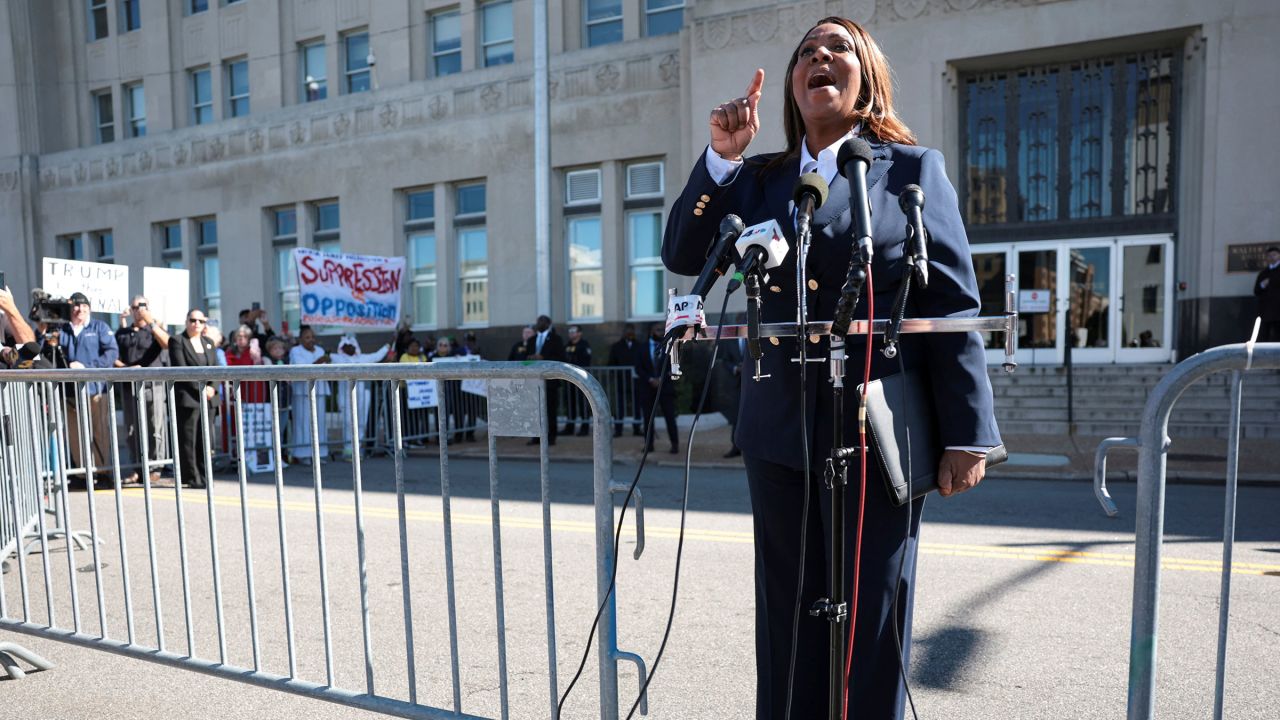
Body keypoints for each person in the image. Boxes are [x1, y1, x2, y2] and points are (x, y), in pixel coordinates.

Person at [661, 17, 1000, 719]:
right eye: (807, 52)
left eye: (837, 48)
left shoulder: (909, 171)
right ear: (793, 85)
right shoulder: (759, 181)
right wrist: (721, 158)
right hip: (778, 427)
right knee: (786, 616)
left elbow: (952, 304)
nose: (820, 57)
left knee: (869, 614)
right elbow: (683, 250)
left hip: (876, 428)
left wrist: (969, 432)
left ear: (865, 75)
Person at [43, 291, 119, 477]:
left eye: (84, 306)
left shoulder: (99, 326)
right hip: (69, 391)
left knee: (99, 431)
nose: (80, 310)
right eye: (76, 306)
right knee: (76, 434)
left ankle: (101, 472)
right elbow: (45, 352)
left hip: (95, 389)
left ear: (89, 309)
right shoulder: (61, 330)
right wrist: (44, 329)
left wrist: (88, 367)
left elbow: (111, 352)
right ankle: (83, 474)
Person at [114, 296, 171, 483]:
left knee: (155, 426)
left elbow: (167, 344)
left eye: (142, 306)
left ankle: (155, 467)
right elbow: (113, 355)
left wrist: (151, 321)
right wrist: (125, 369)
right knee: (132, 429)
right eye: (135, 307)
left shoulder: (154, 329)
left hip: (152, 384)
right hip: (130, 384)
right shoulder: (124, 332)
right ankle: (136, 467)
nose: (139, 309)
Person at [167, 309, 218, 488]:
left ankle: (205, 475)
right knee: (188, 439)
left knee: (205, 440)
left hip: (208, 398)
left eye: (201, 321)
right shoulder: (177, 341)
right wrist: (201, 389)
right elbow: (182, 369)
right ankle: (191, 476)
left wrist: (212, 387)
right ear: (186, 321)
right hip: (189, 398)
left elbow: (216, 369)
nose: (197, 324)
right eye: (193, 320)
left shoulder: (209, 342)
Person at [330, 332, 392, 458]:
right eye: (346, 345)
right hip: (345, 394)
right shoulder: (336, 358)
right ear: (342, 347)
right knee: (348, 422)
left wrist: (387, 346)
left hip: (362, 394)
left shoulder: (362, 358)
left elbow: (376, 356)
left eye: (352, 345)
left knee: (361, 421)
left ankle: (358, 448)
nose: (350, 348)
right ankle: (348, 449)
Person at [288, 325, 331, 463]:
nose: (311, 340)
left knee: (320, 423)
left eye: (312, 337)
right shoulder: (295, 350)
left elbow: (325, 371)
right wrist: (319, 361)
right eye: (307, 337)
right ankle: (302, 454)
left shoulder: (320, 350)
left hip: (319, 390)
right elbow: (300, 369)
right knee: (303, 423)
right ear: (300, 339)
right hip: (302, 392)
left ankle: (319, 454)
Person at [634, 322, 678, 454]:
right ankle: (649, 445)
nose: (660, 332)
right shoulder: (641, 348)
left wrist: (661, 379)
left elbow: (673, 365)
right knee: (648, 418)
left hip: (665, 388)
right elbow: (638, 368)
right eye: (657, 330)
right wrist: (650, 379)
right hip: (647, 388)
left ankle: (674, 444)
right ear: (651, 331)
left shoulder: (669, 346)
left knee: (669, 417)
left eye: (661, 330)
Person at [524, 315, 566, 445]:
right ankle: (536, 436)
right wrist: (530, 358)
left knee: (550, 410)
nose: (539, 324)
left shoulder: (556, 339)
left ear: (548, 324)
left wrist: (543, 357)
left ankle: (551, 436)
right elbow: (525, 357)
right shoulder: (532, 340)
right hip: (534, 380)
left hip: (550, 381)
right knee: (535, 409)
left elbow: (561, 357)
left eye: (542, 322)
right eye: (538, 321)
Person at [607, 323, 645, 438]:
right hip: (621, 381)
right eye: (627, 331)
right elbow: (611, 364)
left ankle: (637, 428)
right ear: (623, 332)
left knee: (637, 406)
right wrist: (618, 375)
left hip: (636, 382)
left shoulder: (640, 346)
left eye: (631, 331)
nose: (629, 333)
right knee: (619, 406)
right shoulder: (616, 346)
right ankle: (618, 429)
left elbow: (644, 362)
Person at [397, 337, 431, 445]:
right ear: (407, 348)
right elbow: (406, 371)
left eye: (416, 346)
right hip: (407, 391)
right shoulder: (404, 357)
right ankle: (407, 438)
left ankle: (417, 437)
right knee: (408, 416)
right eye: (412, 346)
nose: (415, 348)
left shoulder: (422, 357)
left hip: (420, 392)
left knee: (418, 416)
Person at [562, 325, 593, 436]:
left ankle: (584, 427)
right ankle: (569, 427)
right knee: (570, 404)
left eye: (573, 331)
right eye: (569, 331)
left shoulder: (584, 345)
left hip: (581, 380)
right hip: (569, 380)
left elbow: (586, 360)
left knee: (583, 404)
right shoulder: (567, 346)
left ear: (580, 333)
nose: (571, 333)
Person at [1254, 245, 1280, 342]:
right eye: (1270, 255)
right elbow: (1256, 291)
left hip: (1278, 310)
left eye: (1275, 255)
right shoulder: (1263, 273)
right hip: (1266, 311)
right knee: (1264, 336)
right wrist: (1262, 285)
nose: (1272, 257)